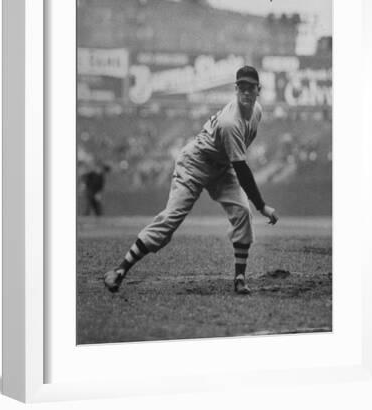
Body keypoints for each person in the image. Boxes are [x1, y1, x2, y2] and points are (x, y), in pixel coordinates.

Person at [104, 66, 278, 294]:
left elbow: (237, 162)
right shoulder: (230, 122)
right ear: (236, 90)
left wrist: (254, 205)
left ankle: (239, 277)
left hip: (222, 167)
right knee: (170, 220)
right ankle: (119, 270)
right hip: (195, 163)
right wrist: (262, 206)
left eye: (251, 88)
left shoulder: (257, 111)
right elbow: (242, 169)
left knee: (243, 213)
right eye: (242, 88)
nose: (246, 92)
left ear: (258, 90)